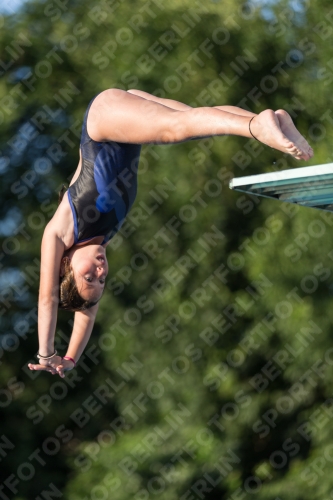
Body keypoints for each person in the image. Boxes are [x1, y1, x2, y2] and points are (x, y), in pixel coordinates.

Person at [27, 88, 313, 378]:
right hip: (124, 120)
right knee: (194, 123)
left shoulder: (59, 232)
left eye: (89, 276)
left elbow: (47, 297)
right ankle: (271, 122)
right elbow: (87, 312)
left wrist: (47, 353)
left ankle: (258, 126)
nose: (100, 270)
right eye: (102, 279)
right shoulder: (103, 236)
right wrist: (72, 359)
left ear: (65, 267)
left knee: (176, 130)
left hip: (102, 121)